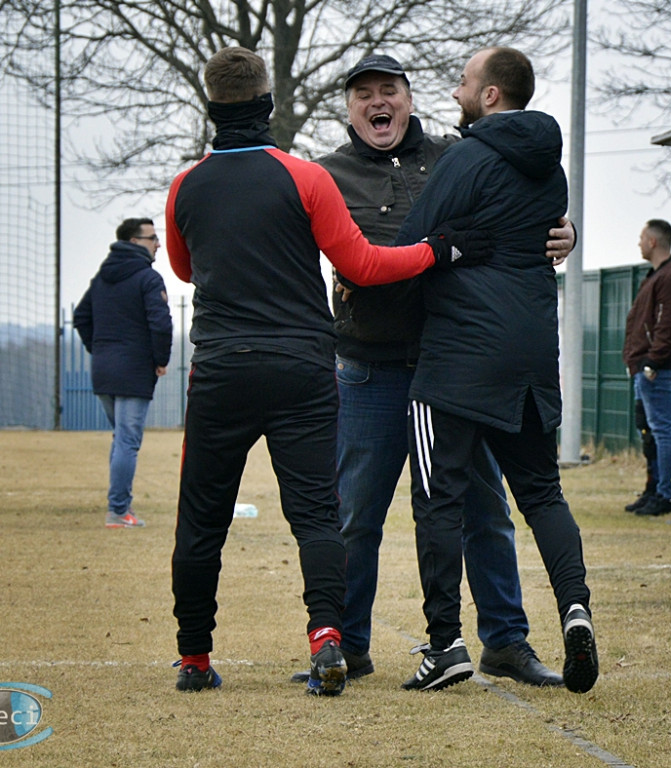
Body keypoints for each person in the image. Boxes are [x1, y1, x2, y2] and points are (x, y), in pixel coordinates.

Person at [164, 47, 488, 697]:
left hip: (223, 366)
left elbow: (184, 269)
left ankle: (195, 661)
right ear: (266, 106)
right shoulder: (306, 178)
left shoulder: (185, 186)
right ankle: (328, 639)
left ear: (211, 108)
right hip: (304, 367)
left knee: (202, 518)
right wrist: (435, 250)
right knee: (317, 516)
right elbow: (363, 266)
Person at [286, 53, 570, 688]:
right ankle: (348, 648)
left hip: (454, 368)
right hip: (370, 370)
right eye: (364, 94)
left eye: (389, 90)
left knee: (483, 511)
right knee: (356, 513)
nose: (376, 102)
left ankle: (506, 641)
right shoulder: (324, 176)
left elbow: (525, 207)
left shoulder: (459, 153)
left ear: (410, 100)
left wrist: (564, 231)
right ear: (351, 108)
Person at [393, 46, 598, 695]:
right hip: (532, 356)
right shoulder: (551, 169)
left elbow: (412, 246)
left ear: (489, 96)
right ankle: (575, 609)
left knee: (438, 501)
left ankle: (444, 645)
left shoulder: (466, 157)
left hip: (457, 360)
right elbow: (543, 236)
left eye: (463, 80)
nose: (454, 89)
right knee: (541, 495)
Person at [73, 217, 173, 529]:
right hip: (133, 370)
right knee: (128, 441)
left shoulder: (102, 277)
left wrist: (98, 348)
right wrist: (160, 359)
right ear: (133, 242)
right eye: (152, 238)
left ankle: (119, 505)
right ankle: (118, 511)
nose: (159, 244)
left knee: (121, 440)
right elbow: (161, 323)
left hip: (104, 369)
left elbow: (80, 317)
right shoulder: (148, 278)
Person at [622, 219, 671, 516]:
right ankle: (653, 488)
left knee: (662, 431)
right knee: (649, 431)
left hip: (656, 369)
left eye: (641, 237)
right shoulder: (657, 276)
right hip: (645, 367)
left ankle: (665, 494)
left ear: (653, 242)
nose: (638, 242)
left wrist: (653, 360)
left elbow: (668, 324)